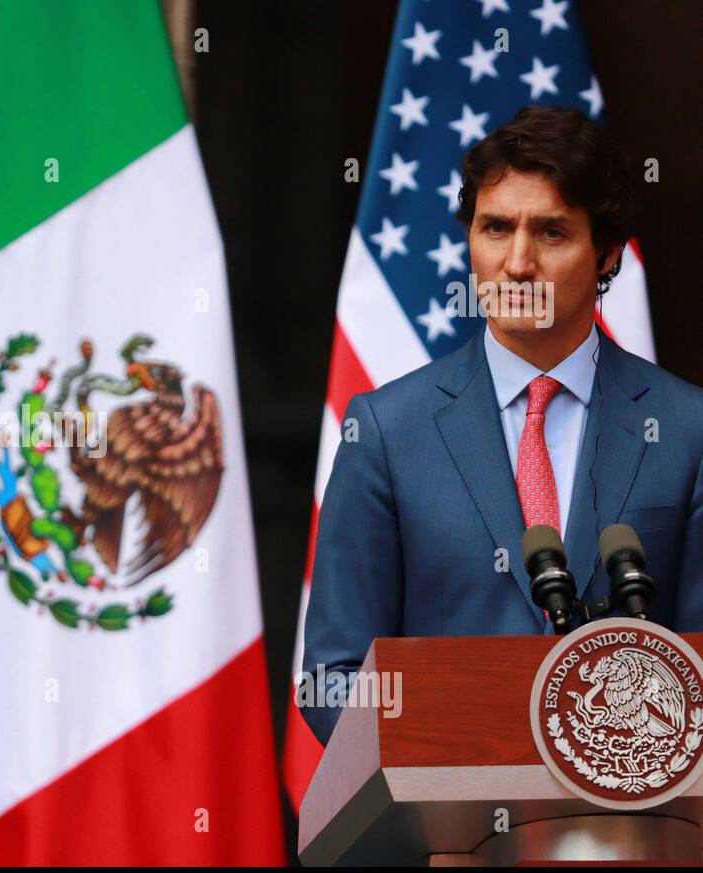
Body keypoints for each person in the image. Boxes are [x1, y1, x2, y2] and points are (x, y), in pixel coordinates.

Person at [300, 106, 703, 746]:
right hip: (446, 839)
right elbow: (335, 677)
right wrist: (476, 763)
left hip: (632, 831)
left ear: (606, 255)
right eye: (495, 228)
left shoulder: (686, 429)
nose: (517, 263)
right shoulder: (385, 430)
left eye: (550, 233)